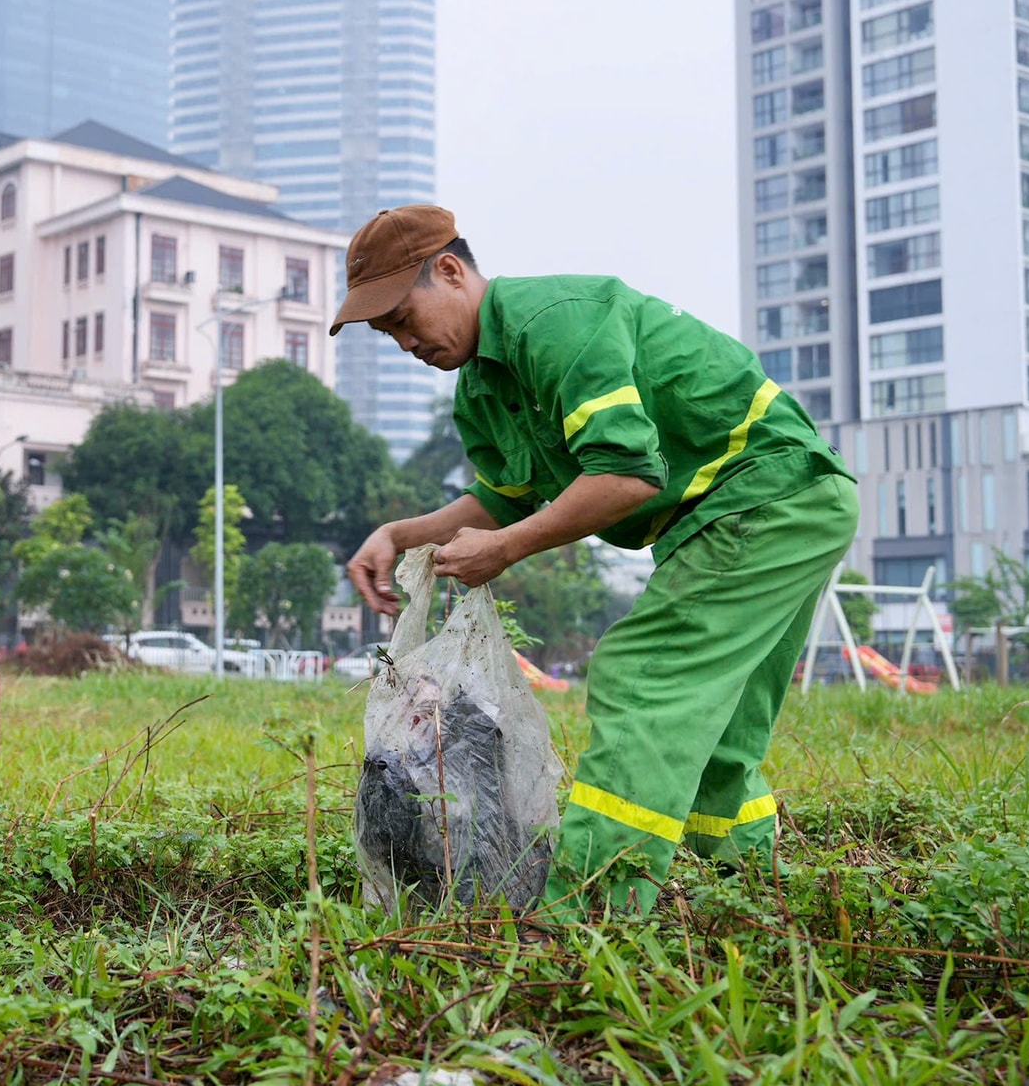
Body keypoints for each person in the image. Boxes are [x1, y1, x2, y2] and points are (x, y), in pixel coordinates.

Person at [338, 204, 858, 918]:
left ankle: (590, 911)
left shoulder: (555, 325)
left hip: (764, 493)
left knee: (642, 680)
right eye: (386, 332)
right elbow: (502, 499)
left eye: (403, 317)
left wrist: (507, 550)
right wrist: (401, 534)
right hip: (771, 506)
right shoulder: (483, 387)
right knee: (715, 727)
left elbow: (626, 477)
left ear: (451, 271)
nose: (404, 342)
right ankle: (744, 892)